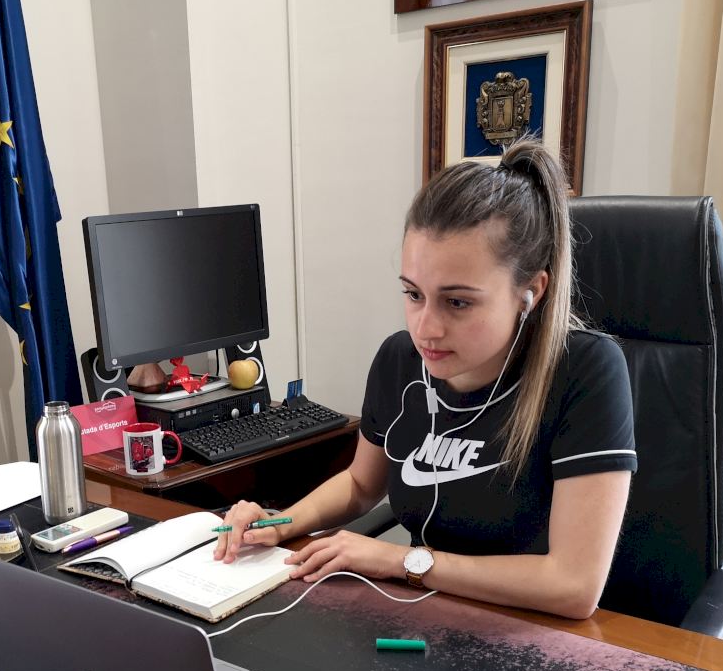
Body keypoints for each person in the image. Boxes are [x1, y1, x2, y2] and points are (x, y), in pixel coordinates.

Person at [214, 138, 636, 620]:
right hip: (424, 616)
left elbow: (573, 586)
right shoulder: (399, 360)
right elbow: (361, 484)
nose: (425, 329)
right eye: (414, 295)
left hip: (539, 632)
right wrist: (282, 522)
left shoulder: (585, 371)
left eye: (458, 302)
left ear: (530, 292)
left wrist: (403, 561)